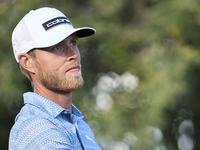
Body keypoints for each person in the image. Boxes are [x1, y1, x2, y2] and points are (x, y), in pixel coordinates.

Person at [9, 7, 101, 150]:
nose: (73, 54)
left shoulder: (77, 123)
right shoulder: (36, 129)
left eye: (73, 43)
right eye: (57, 47)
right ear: (27, 62)